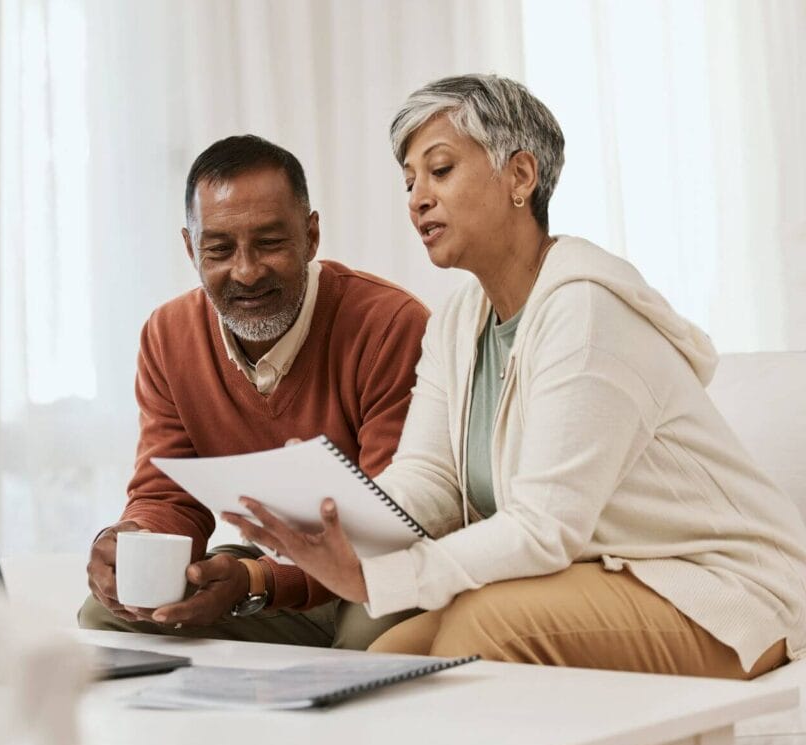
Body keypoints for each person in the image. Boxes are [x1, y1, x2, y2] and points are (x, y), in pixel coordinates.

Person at [224, 75, 806, 679]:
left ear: (521, 177)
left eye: (440, 170)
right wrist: (329, 513)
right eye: (409, 181)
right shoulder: (456, 323)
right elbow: (431, 482)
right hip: (603, 572)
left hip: (723, 591)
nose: (416, 198)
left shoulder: (585, 310)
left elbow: (545, 526)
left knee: (482, 627)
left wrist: (382, 575)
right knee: (382, 663)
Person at [78, 134, 430, 650]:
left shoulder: (389, 325)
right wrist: (133, 541)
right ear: (189, 248)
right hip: (272, 575)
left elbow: (389, 529)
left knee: (366, 642)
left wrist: (259, 582)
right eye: (219, 249)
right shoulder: (168, 335)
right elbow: (166, 494)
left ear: (311, 237)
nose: (245, 272)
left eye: (269, 243)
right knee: (108, 615)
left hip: (378, 572)